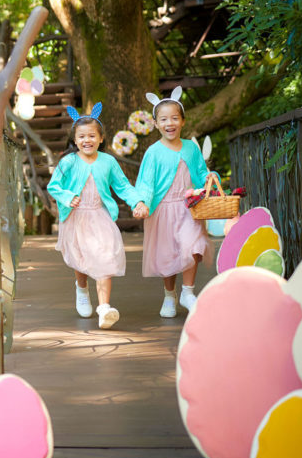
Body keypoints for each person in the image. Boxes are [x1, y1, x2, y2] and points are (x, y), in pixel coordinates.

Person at [47, 103, 149, 329]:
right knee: (82, 258)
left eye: (92, 135)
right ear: (75, 140)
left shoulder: (108, 162)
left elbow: (123, 186)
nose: (87, 140)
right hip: (76, 217)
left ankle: (104, 308)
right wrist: (67, 196)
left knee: (104, 257)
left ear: (101, 138)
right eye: (81, 136)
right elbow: (53, 186)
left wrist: (138, 201)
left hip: (99, 216)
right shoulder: (68, 162)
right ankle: (82, 289)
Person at [136, 87, 214, 318]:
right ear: (156, 124)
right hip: (163, 209)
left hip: (189, 206)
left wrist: (210, 178)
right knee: (167, 253)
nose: (169, 123)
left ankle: (187, 292)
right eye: (164, 119)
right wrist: (143, 202)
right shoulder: (153, 152)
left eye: (174, 118)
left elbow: (201, 172)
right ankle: (169, 294)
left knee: (193, 245)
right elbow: (146, 182)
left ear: (182, 121)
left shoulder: (191, 148)